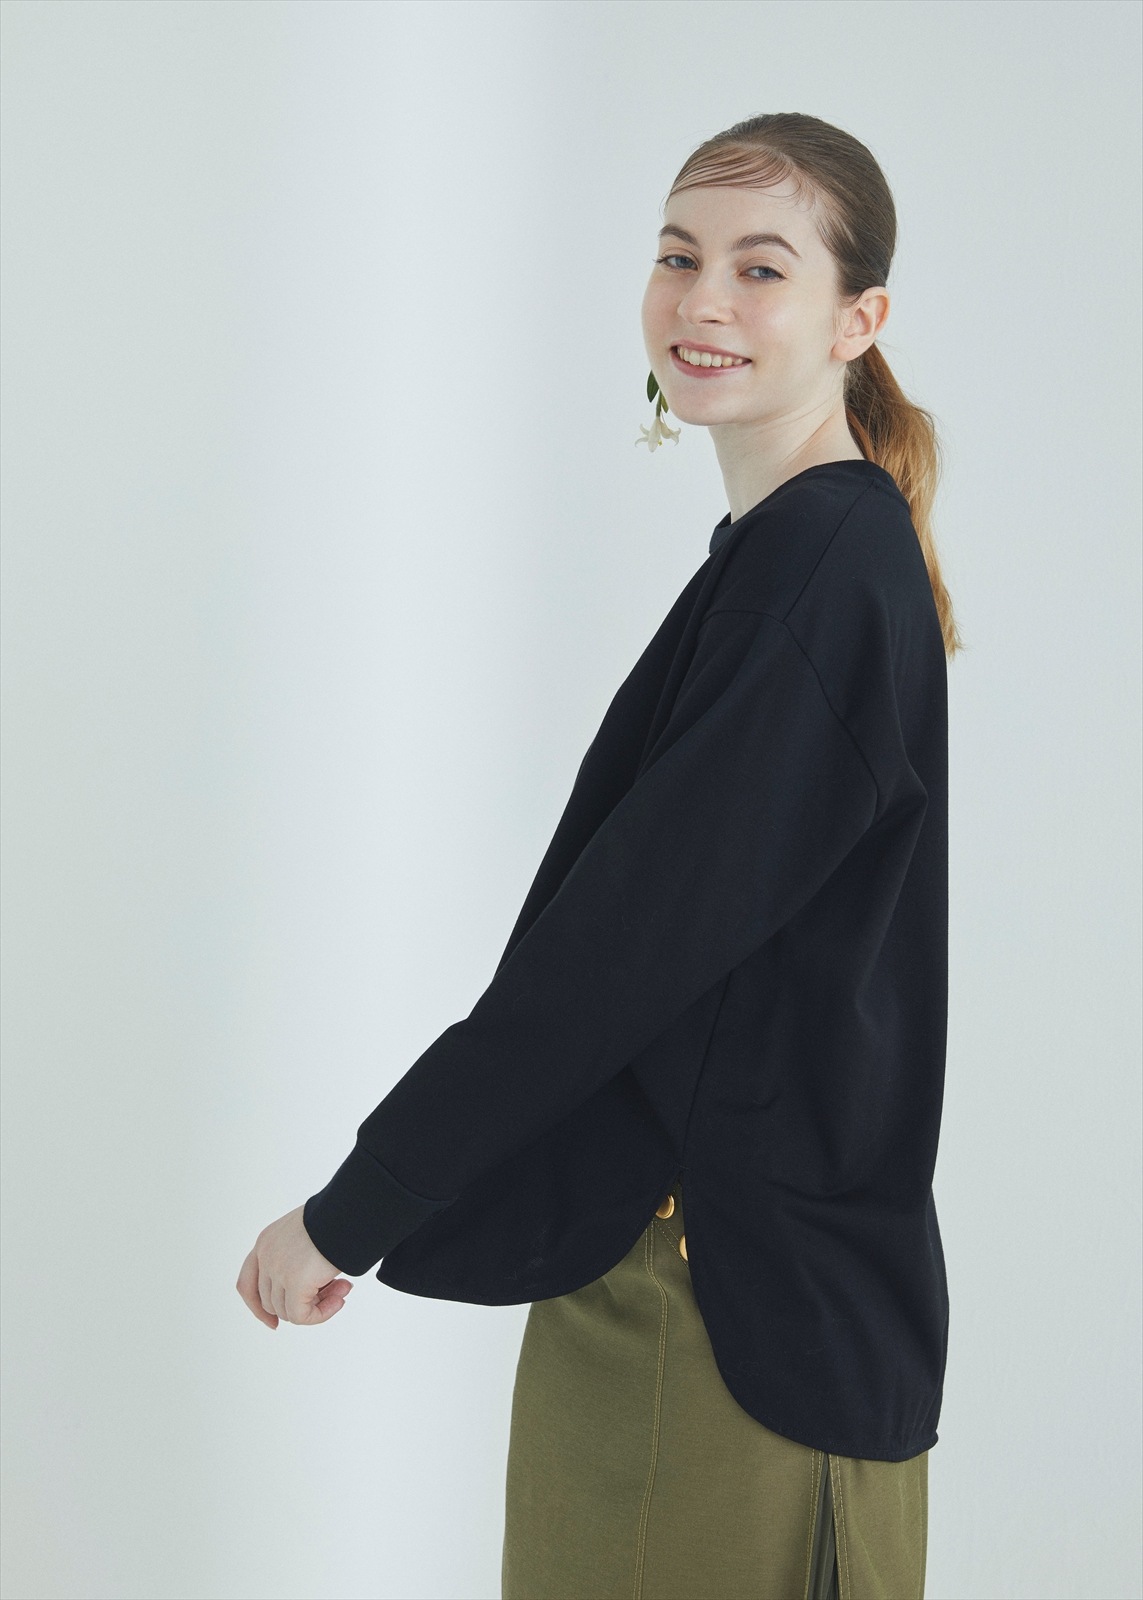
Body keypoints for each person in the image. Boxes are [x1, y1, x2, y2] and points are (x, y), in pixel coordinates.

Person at [237, 110, 961, 1600]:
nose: (704, 300)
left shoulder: (820, 568)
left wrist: (355, 1210)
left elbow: (614, 957)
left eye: (763, 268)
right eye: (679, 256)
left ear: (859, 320)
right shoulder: (802, 556)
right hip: (734, 1291)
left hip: (710, 1309)